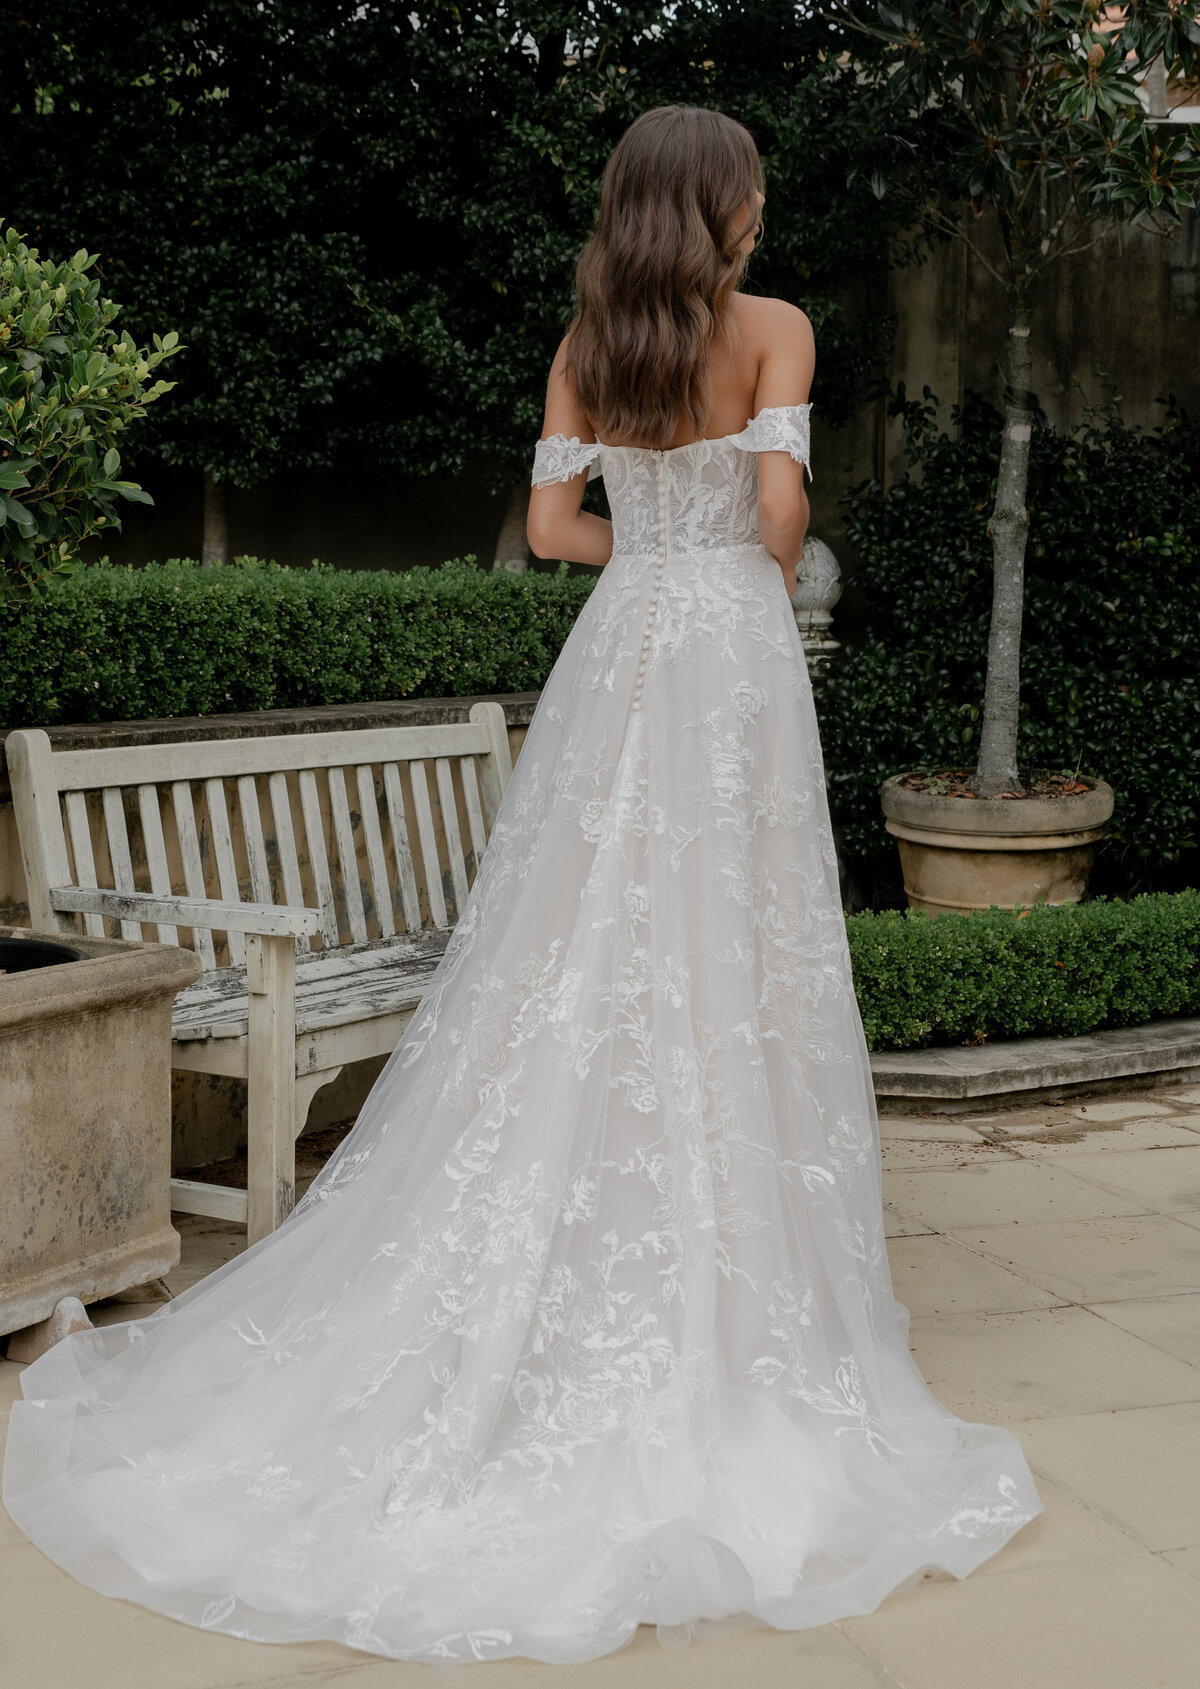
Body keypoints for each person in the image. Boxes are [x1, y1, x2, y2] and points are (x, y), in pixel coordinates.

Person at [3, 104, 1041, 1666]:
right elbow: (776, 524)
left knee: (587, 941)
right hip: (733, 668)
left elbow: (557, 526)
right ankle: (731, 1281)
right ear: (723, 206)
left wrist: (642, 542)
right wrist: (735, 523)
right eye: (750, 185)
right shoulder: (779, 330)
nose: (762, 202)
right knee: (726, 949)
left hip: (623, 656)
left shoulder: (590, 341)